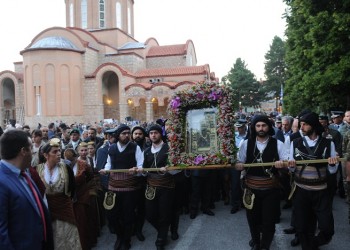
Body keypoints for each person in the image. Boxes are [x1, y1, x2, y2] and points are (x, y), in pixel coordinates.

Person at [235, 115, 288, 250]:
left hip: (271, 190)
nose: (261, 128)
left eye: (264, 125)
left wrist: (282, 164)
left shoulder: (278, 144)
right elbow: (239, 161)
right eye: (258, 126)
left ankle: (265, 246)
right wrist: (239, 165)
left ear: (269, 127)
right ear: (253, 127)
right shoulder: (246, 143)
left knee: (269, 221)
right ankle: (256, 242)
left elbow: (288, 164)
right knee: (253, 219)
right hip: (251, 189)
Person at [287, 112, 339, 250]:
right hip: (301, 190)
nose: (301, 127)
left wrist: (333, 164)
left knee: (327, 227)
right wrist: (291, 167)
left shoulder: (328, 143)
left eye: (305, 124)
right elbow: (291, 171)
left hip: (321, 191)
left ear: (314, 125)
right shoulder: (295, 143)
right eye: (301, 124)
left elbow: (332, 171)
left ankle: (314, 243)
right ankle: (308, 247)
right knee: (303, 227)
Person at [0, 130, 54, 250]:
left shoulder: (24, 174)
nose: (33, 152)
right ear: (23, 151)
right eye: (31, 148)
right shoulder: (2, 181)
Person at [100, 124, 144, 250]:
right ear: (118, 135)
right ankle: (119, 236)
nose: (126, 135)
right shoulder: (112, 148)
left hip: (130, 186)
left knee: (128, 215)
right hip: (113, 186)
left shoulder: (135, 147)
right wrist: (105, 170)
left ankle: (126, 240)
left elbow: (141, 166)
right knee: (112, 215)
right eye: (123, 133)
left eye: (127, 133)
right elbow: (109, 163)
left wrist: (137, 170)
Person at [36, 139, 82, 250]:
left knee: (67, 238)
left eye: (59, 151)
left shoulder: (66, 168)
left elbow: (72, 188)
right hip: (46, 210)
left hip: (64, 208)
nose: (58, 154)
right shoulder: (38, 169)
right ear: (46, 155)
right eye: (54, 152)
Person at [141, 124, 176, 250]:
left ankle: (161, 239)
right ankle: (164, 230)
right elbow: (143, 171)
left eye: (156, 132)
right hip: (151, 186)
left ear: (160, 134)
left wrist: (168, 169)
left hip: (166, 186)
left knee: (164, 213)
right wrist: (139, 170)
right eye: (151, 133)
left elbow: (177, 170)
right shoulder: (145, 151)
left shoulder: (169, 149)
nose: (153, 135)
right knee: (150, 215)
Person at [230, 118, 247, 214]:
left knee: (246, 183)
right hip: (235, 162)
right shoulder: (233, 136)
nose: (238, 129)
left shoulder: (249, 136)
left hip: (246, 162)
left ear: (244, 127)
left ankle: (245, 202)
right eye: (237, 127)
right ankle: (235, 204)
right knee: (235, 184)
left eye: (240, 127)